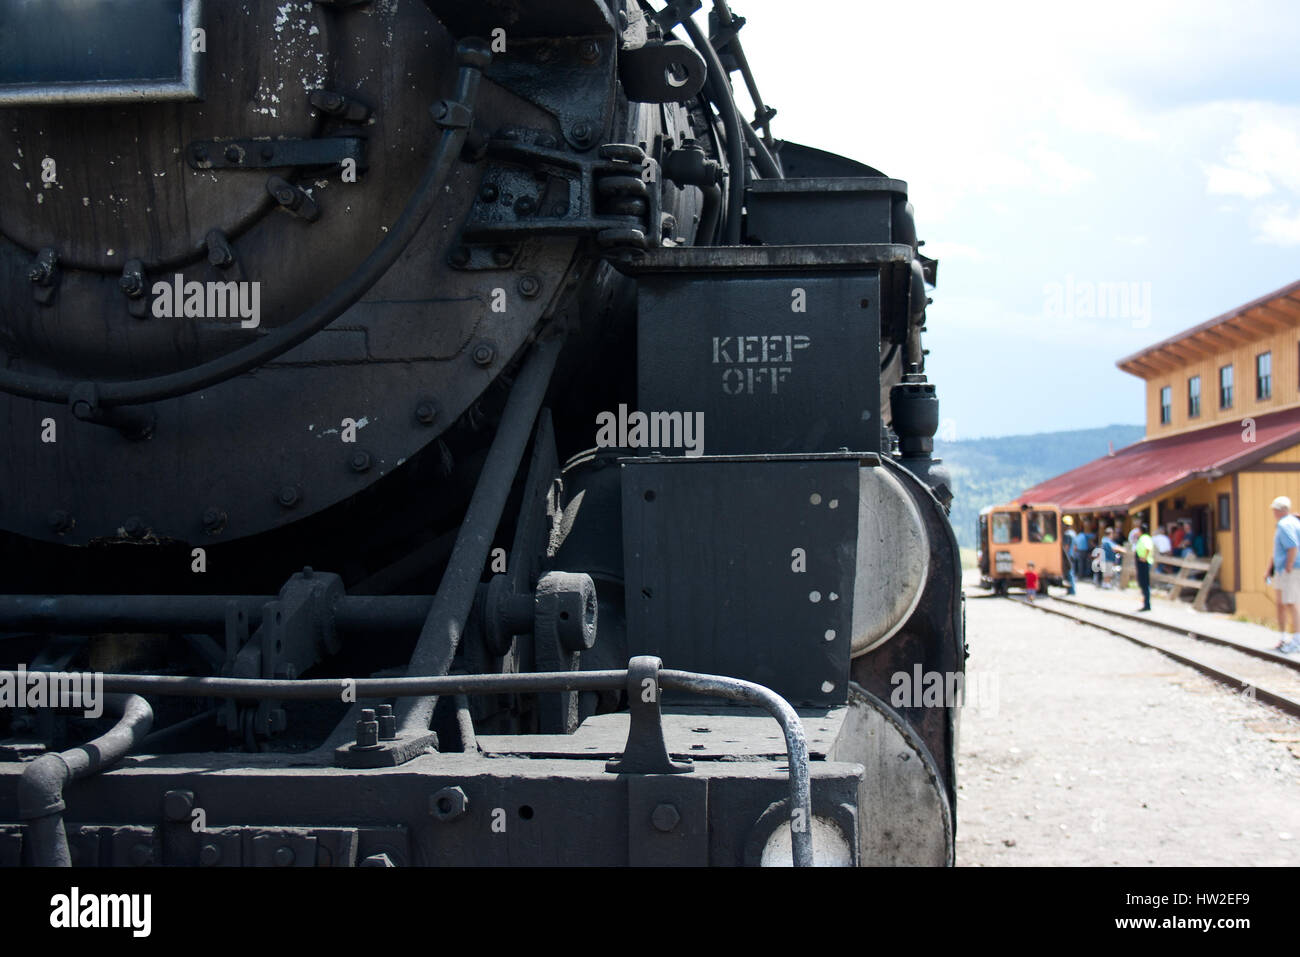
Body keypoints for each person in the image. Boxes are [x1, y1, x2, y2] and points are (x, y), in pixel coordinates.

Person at [1268, 497, 1300, 653]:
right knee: (1282, 602)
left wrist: (1288, 567)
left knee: (1291, 602)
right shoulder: (1290, 523)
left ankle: (1296, 638)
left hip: (1289, 569)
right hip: (1283, 568)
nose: (1273, 512)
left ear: (1281, 510)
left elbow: (1293, 547)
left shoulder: (1285, 524)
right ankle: (1284, 637)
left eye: (1275, 509)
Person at [1134, 522, 1154, 611]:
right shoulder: (1144, 538)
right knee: (1143, 583)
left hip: (1144, 563)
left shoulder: (1144, 538)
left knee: (1145, 584)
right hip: (1142, 562)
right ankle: (1145, 603)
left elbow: (1148, 548)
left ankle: (1147, 604)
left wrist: (1144, 558)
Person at [1061, 516, 1077, 595]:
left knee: (1069, 573)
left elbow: (1066, 547)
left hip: (1067, 556)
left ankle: (1071, 590)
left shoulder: (1067, 534)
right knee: (1071, 572)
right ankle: (1071, 590)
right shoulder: (1073, 533)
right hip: (1072, 555)